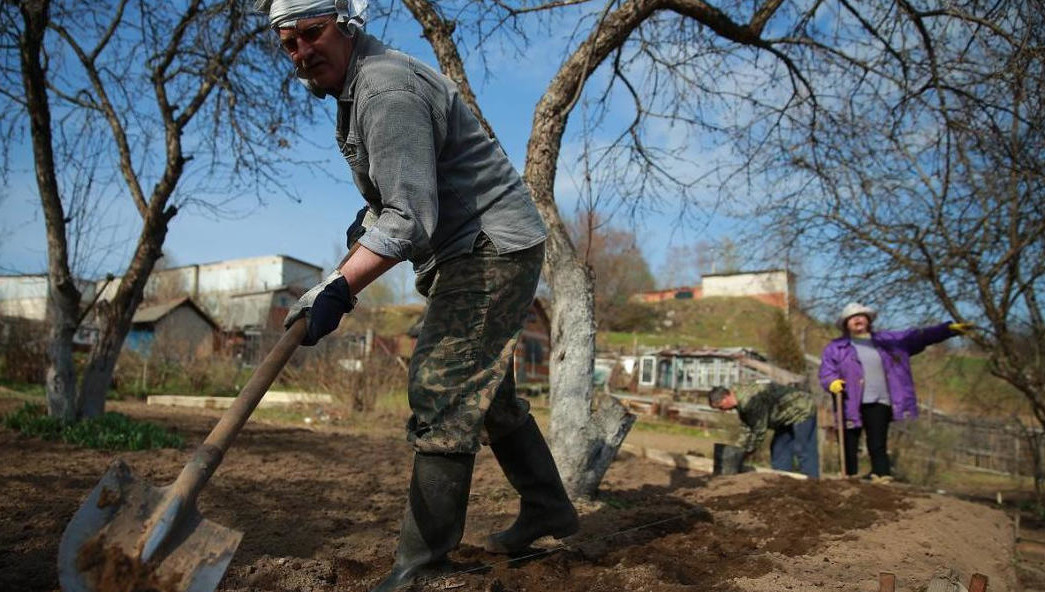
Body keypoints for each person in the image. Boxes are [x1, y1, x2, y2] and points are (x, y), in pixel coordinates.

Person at [253, 1, 578, 590]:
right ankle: (549, 508)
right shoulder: (359, 88)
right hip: (474, 246)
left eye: (312, 33)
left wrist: (339, 290)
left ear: (346, 25)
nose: (301, 52)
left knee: (441, 386)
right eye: (288, 43)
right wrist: (340, 270)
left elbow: (409, 221)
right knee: (487, 396)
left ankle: (422, 566)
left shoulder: (384, 92)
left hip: (489, 247)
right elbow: (396, 200)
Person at [819, 302, 971, 481]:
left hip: (879, 399)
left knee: (877, 440)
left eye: (861, 316)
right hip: (849, 399)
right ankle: (848, 475)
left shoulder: (889, 341)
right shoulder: (836, 348)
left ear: (868, 321)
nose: (858, 319)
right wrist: (832, 382)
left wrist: (947, 330)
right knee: (848, 440)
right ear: (846, 324)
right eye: (852, 317)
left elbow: (919, 336)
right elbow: (826, 371)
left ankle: (881, 474)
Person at [707, 382, 820, 479]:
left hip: (802, 409)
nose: (723, 411)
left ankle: (812, 481)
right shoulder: (739, 399)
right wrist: (740, 448)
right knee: (779, 449)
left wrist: (748, 451)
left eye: (721, 407)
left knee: (803, 448)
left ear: (726, 398)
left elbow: (759, 430)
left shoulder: (749, 401)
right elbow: (747, 426)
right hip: (783, 415)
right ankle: (782, 481)